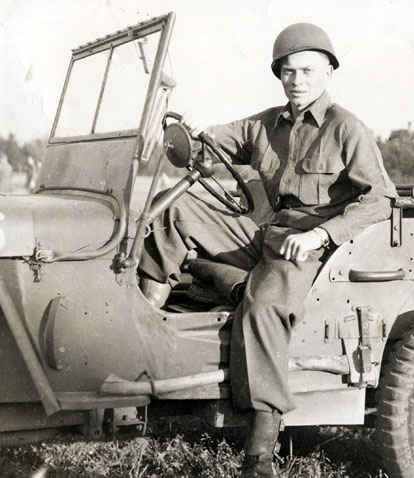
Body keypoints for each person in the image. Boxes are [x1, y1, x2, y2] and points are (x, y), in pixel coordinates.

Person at [140, 23, 396, 477]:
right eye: (288, 71)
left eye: (307, 70)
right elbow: (216, 142)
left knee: (261, 308)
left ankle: (261, 446)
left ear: (328, 72)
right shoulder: (267, 123)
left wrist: (322, 235)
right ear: (279, 75)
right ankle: (140, 325)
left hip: (305, 246)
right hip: (267, 233)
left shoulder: (346, 129)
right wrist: (197, 134)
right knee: (177, 213)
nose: (297, 80)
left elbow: (379, 199)